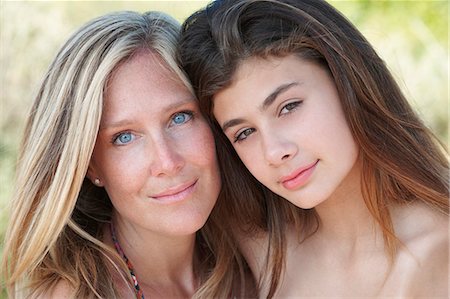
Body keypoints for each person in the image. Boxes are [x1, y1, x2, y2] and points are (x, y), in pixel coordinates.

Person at [178, 0, 449, 297]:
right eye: (244, 133)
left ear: (347, 80)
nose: (274, 152)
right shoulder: (261, 247)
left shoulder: (438, 253)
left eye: (289, 107)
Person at [1, 10, 255, 298]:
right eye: (124, 137)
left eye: (180, 117)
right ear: (90, 166)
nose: (167, 162)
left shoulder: (262, 263)